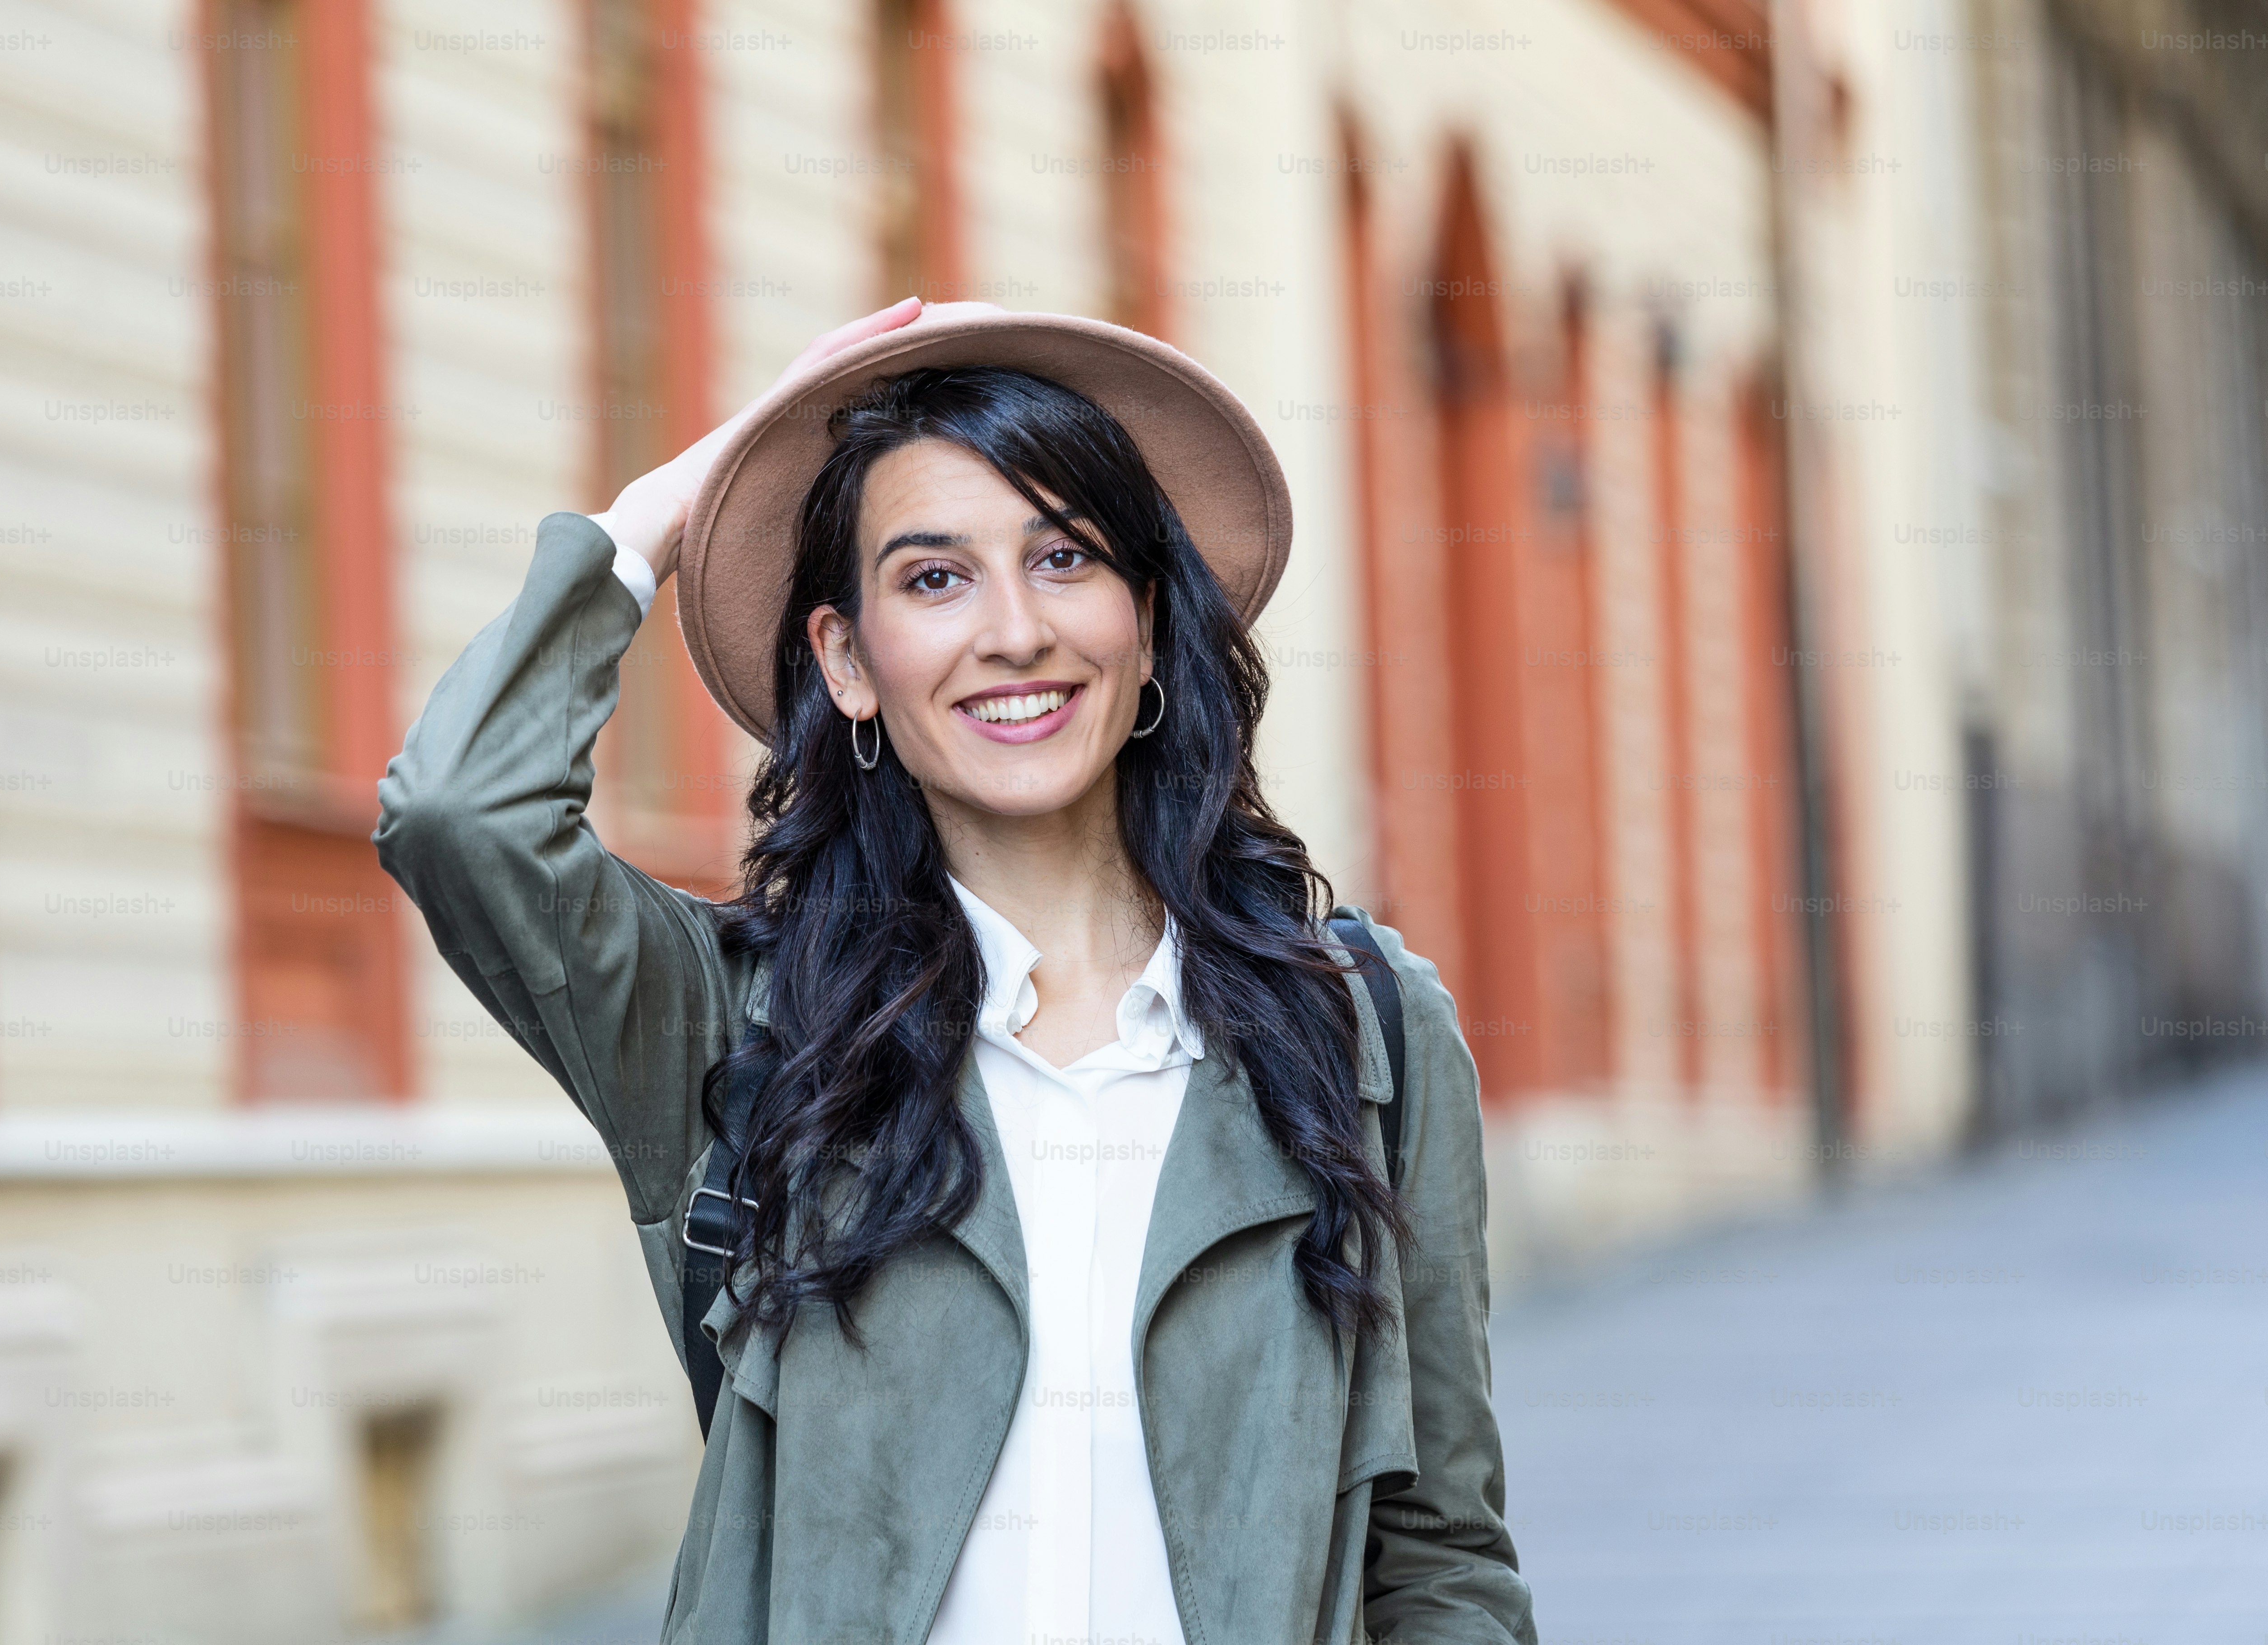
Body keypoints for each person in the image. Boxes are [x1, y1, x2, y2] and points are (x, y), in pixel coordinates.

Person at [374, 297, 1538, 1645]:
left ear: (1149, 624)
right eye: (934, 579)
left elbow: (1443, 1560)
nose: (1014, 632)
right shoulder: (739, 1022)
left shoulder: (1360, 1034)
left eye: (1066, 558)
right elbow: (460, 815)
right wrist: (675, 505)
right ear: (847, 659)